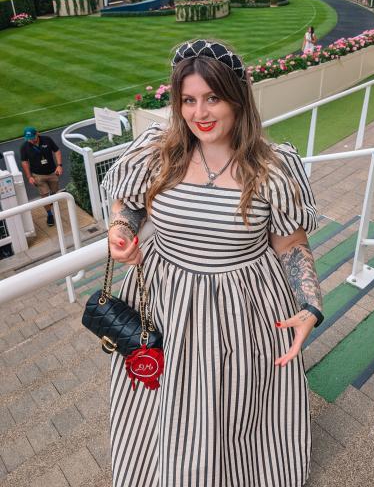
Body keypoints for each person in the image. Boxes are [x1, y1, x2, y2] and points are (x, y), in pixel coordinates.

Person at [101, 39, 323, 487]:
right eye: (189, 99)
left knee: (235, 400)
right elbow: (130, 205)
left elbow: (291, 246)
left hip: (243, 305)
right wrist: (120, 231)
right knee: (164, 397)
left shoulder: (272, 168)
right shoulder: (159, 151)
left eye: (213, 98)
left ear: (237, 97)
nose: (200, 112)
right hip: (166, 297)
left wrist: (310, 306)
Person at [20, 127, 63, 226]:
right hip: (38, 175)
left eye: (32, 137)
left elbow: (57, 151)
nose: (30, 140)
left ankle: (51, 200)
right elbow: (24, 162)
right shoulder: (24, 146)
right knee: (44, 196)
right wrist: (29, 176)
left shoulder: (47, 140)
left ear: (37, 134)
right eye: (28, 138)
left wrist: (59, 166)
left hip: (52, 172)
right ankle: (49, 215)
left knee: (54, 193)